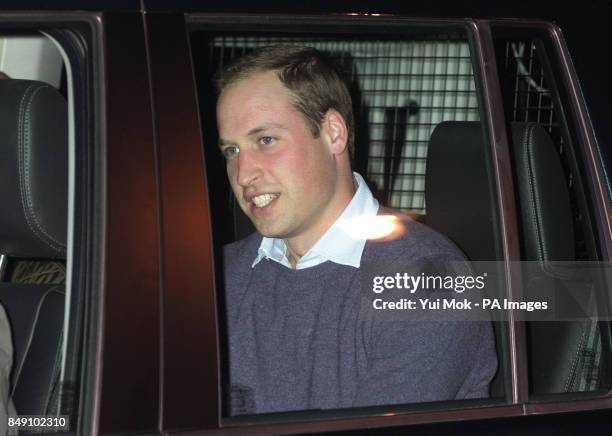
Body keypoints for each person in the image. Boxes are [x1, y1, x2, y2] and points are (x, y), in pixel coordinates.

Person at [216, 45, 497, 415]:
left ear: (333, 133)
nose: (243, 174)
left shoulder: (426, 280)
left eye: (265, 140)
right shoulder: (214, 279)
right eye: (231, 151)